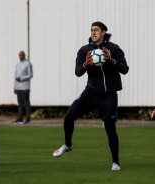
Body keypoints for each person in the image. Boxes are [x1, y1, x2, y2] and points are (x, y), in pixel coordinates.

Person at [53, 21, 129, 171]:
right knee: (69, 117)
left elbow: (125, 69)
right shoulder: (84, 50)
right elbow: (78, 72)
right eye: (91, 30)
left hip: (109, 97)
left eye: (96, 30)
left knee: (110, 129)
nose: (93, 32)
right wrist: (85, 65)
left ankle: (115, 163)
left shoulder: (114, 48)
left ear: (104, 32)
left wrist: (111, 60)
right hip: (91, 93)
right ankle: (68, 145)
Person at [12, 51, 33, 124]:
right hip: (18, 87)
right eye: (19, 55)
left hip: (25, 87)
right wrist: (14, 87)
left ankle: (28, 119)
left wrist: (21, 78)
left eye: (22, 55)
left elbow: (30, 75)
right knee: (20, 104)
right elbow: (15, 76)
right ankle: (20, 118)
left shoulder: (28, 64)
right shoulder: (17, 64)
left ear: (24, 55)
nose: (21, 57)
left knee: (26, 103)